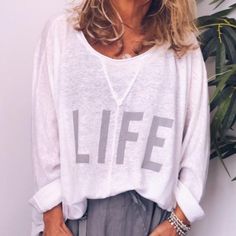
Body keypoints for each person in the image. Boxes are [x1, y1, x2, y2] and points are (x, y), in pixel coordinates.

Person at [28, 0, 211, 236]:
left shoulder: (182, 48)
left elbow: (196, 143)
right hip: (72, 220)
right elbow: (45, 134)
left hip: (152, 221)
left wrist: (178, 222)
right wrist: (51, 218)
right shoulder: (61, 35)